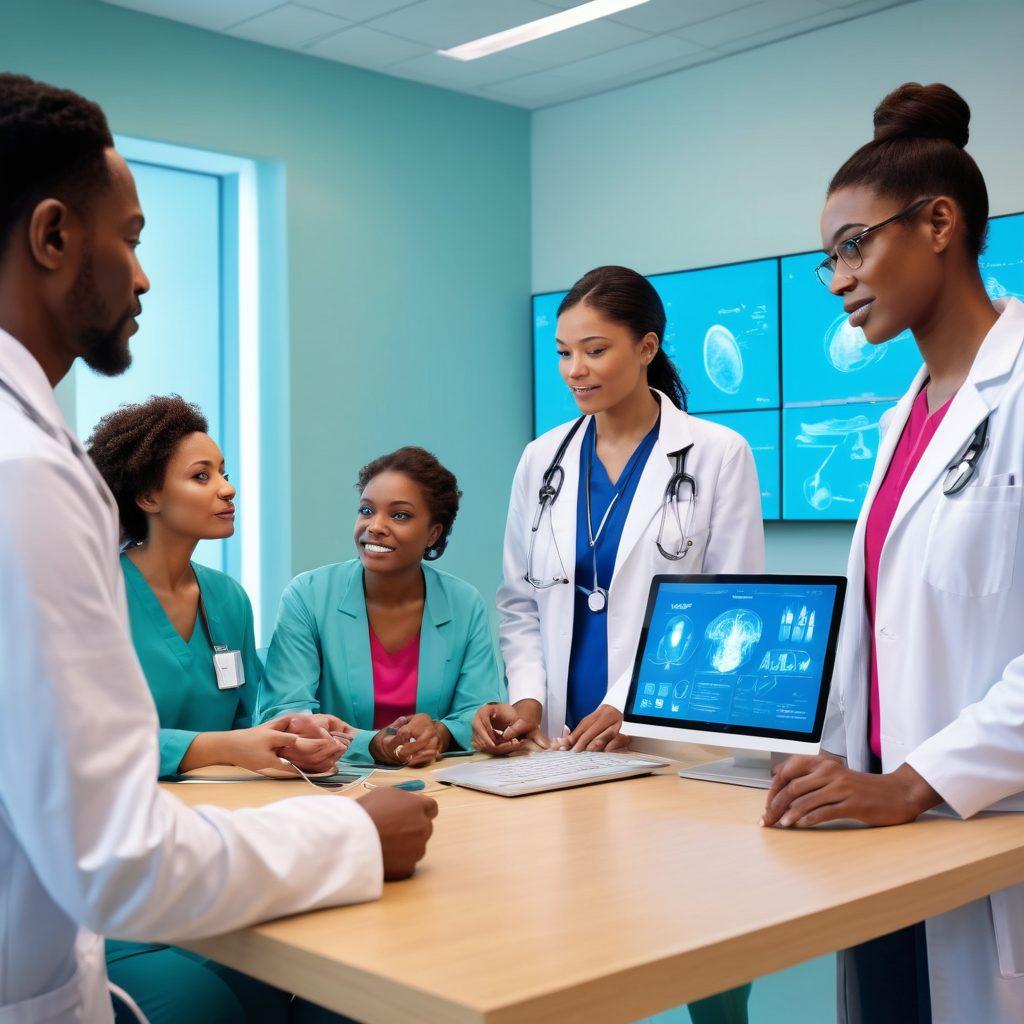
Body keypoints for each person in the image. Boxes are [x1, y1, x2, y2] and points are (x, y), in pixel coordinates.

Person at [0, 72, 436, 1023]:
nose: (145, 275)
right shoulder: (25, 474)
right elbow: (112, 853)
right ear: (52, 237)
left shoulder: (215, 591)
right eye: (132, 239)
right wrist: (353, 836)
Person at [761, 82, 1024, 1024]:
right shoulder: (897, 421)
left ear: (940, 222)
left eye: (853, 245)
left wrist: (911, 784)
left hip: (978, 840)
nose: (836, 278)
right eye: (829, 255)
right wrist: (817, 764)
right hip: (882, 840)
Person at [475, 265, 763, 1024]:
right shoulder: (543, 459)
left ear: (646, 347)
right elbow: (517, 602)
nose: (575, 370)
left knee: (708, 938)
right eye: (564, 352)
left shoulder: (717, 452)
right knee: (575, 938)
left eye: (595, 350)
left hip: (679, 740)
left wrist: (626, 702)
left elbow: (734, 611)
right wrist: (530, 695)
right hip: (565, 744)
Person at [87, 393, 348, 781]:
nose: (227, 489)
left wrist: (292, 733)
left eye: (224, 474)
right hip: (116, 812)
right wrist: (222, 748)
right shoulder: (95, 595)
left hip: (218, 807)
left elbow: (246, 722)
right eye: (201, 476)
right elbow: (87, 739)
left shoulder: (229, 598)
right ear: (148, 496)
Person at [259, 446, 504, 767]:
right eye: (366, 510)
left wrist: (438, 734)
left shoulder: (463, 602)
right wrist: (372, 744)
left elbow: (478, 710)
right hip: (331, 783)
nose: (375, 525)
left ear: (433, 533)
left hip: (437, 779)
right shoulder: (308, 595)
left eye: (399, 515)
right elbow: (287, 713)